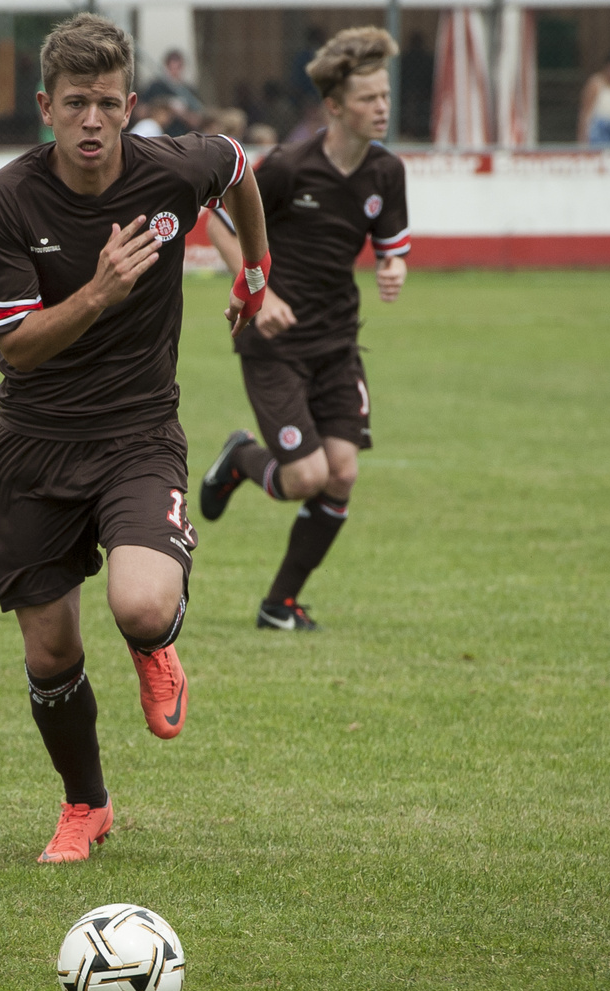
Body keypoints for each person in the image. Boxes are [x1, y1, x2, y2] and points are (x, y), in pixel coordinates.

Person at [0, 13, 269, 863]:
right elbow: (17, 345)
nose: (92, 120)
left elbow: (242, 171)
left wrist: (254, 270)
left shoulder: (173, 166)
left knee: (140, 601)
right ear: (46, 107)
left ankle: (154, 642)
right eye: (75, 104)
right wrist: (98, 294)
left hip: (137, 433)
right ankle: (85, 805)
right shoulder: (10, 197)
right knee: (51, 647)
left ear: (131, 103)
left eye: (107, 103)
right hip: (32, 444)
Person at [201, 26, 409, 632]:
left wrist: (394, 268)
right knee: (305, 477)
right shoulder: (290, 167)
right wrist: (257, 294)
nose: (382, 108)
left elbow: (391, 247)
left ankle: (278, 606)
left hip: (338, 344)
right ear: (336, 107)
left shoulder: (386, 173)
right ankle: (241, 459)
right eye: (370, 98)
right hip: (274, 344)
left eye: (386, 96)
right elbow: (217, 221)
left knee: (342, 472)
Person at [580, 51, 610, 146]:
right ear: (609, 67)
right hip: (598, 133)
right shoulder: (595, 83)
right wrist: (582, 139)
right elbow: (585, 112)